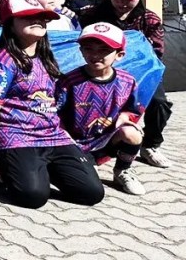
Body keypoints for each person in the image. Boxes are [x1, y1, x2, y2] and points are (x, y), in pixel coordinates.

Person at [0, 0, 105, 209]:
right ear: (10, 23)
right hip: (17, 137)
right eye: (28, 17)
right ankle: (11, 169)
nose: (37, 20)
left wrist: (66, 134)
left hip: (53, 136)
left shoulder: (45, 58)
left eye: (42, 17)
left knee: (92, 193)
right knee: (33, 197)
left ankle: (39, 171)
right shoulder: (1, 62)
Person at [79, 0, 169, 168]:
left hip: (141, 74)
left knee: (159, 102)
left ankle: (150, 145)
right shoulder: (91, 15)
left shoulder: (150, 20)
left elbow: (156, 53)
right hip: (97, 70)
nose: (121, 2)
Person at [56, 23, 146, 195]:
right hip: (74, 143)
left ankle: (122, 170)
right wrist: (66, 139)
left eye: (104, 50)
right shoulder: (69, 81)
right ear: (81, 51)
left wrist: (125, 118)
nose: (95, 55)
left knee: (132, 134)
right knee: (88, 183)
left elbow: (132, 109)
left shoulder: (127, 81)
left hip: (106, 139)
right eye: (89, 49)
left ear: (119, 55)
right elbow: (54, 115)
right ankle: (86, 163)